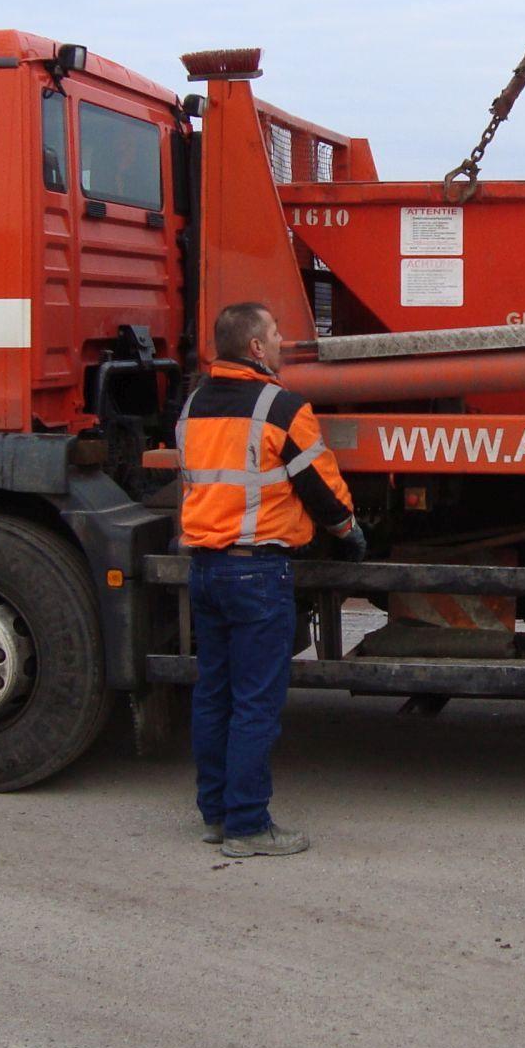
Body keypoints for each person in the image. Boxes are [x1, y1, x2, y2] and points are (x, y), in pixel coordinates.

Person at [178, 301, 365, 857]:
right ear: (256, 348)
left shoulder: (193, 405)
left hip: (206, 567)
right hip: (258, 571)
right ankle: (247, 827)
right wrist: (350, 532)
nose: (284, 341)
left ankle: (216, 814)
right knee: (256, 703)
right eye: (277, 333)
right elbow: (321, 487)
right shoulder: (281, 407)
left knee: (214, 696)